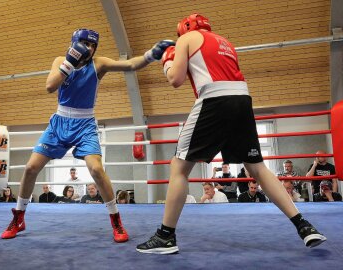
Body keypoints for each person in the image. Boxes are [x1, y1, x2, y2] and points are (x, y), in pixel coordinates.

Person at [136, 14, 326, 254]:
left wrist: (167, 60)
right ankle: (304, 226)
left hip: (214, 99)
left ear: (183, 28)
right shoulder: (225, 42)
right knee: (257, 167)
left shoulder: (187, 39)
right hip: (243, 100)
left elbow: (176, 79)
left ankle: (165, 236)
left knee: (179, 167)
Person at [0, 28, 175, 242]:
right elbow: (49, 86)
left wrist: (151, 54)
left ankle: (116, 221)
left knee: (96, 169)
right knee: (30, 168)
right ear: (75, 43)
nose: (90, 48)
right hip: (59, 122)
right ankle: (18, 217)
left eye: (93, 45)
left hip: (85, 125)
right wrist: (70, 62)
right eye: (85, 43)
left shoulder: (98, 63)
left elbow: (129, 65)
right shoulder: (60, 60)